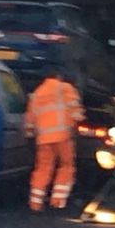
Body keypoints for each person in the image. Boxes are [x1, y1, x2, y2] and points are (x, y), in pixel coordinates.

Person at [24, 68, 85, 211]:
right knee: (66, 166)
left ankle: (35, 202)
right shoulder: (65, 88)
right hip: (63, 136)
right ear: (59, 76)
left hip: (43, 138)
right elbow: (76, 112)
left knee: (43, 168)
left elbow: (30, 120)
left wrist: (30, 134)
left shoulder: (37, 94)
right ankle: (57, 200)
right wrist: (79, 120)